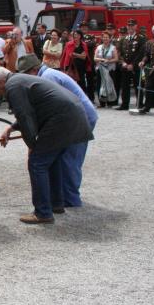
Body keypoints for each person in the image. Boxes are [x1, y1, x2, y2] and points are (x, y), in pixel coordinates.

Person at [0, 66, 93, 224]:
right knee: (53, 161)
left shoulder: (13, 87)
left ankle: (43, 212)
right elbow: (33, 110)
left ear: (1, 82)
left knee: (37, 163)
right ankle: (56, 203)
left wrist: (32, 146)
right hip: (74, 115)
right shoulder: (20, 80)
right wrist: (11, 128)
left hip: (62, 119)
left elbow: (25, 117)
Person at [16, 54, 97, 209]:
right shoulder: (48, 74)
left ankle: (70, 198)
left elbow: (51, 108)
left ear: (33, 70)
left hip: (79, 117)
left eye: (25, 73)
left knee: (69, 158)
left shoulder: (47, 78)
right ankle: (66, 196)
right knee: (67, 156)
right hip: (80, 114)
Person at [116, 20, 146, 110]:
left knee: (138, 86)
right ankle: (124, 104)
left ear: (136, 26)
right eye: (129, 26)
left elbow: (141, 53)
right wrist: (123, 62)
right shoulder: (123, 39)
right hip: (125, 66)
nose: (130, 27)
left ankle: (139, 104)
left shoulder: (140, 38)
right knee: (125, 86)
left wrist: (133, 64)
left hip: (135, 67)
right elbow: (119, 52)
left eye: (132, 26)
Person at [93, 31, 119, 107]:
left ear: (110, 38)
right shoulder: (99, 47)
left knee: (109, 85)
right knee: (100, 85)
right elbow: (94, 58)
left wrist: (109, 61)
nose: (105, 39)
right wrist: (100, 59)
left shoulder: (113, 47)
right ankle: (101, 102)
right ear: (102, 38)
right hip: (100, 69)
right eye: (104, 37)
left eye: (107, 37)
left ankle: (110, 101)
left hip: (109, 69)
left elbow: (116, 58)